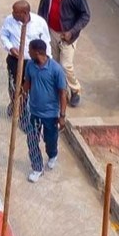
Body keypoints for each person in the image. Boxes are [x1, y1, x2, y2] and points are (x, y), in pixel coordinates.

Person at [37, 0, 91, 107]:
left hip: (67, 36)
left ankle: (75, 89)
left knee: (65, 65)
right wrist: (41, 27)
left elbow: (85, 15)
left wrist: (71, 31)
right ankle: (61, 91)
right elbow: (42, 6)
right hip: (51, 32)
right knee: (53, 63)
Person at [18, 39, 68, 181]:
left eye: (30, 50)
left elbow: (62, 93)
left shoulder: (56, 70)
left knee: (50, 140)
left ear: (38, 52)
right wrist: (22, 96)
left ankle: (52, 154)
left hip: (50, 114)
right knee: (32, 140)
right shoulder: (30, 66)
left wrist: (62, 116)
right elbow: (28, 82)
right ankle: (37, 167)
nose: (28, 52)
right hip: (33, 111)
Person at [0, 0, 53, 106]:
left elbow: (46, 41)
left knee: (32, 85)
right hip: (15, 60)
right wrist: (10, 48)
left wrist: (48, 60)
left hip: (33, 61)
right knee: (14, 85)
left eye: (15, 12)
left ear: (24, 13)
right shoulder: (9, 20)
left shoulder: (40, 22)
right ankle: (15, 105)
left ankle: (26, 108)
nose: (12, 13)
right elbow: (3, 35)